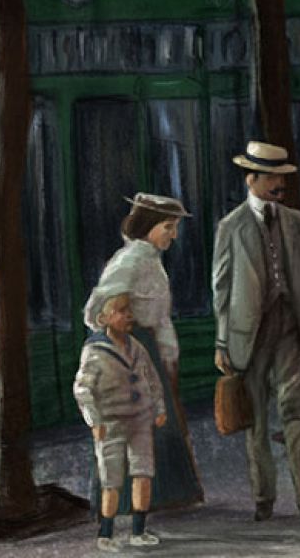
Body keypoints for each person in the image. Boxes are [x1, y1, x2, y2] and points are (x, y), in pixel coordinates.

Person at [212, 141, 300, 521]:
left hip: (291, 328)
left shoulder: (298, 223)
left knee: (295, 409)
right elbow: (222, 287)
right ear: (252, 179)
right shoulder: (231, 226)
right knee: (257, 419)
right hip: (250, 332)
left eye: (283, 176)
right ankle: (264, 498)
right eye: (272, 177)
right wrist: (221, 339)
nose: (280, 184)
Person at [82, 193, 204, 515]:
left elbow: (161, 316)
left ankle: (164, 496)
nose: (173, 235)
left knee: (157, 425)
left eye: (174, 227)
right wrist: (118, 337)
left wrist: (168, 353)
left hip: (150, 349)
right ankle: (125, 502)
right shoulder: (129, 261)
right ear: (148, 226)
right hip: (132, 352)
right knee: (133, 424)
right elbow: (96, 308)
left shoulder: (151, 261)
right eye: (168, 227)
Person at [74, 291, 167, 552]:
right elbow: (82, 389)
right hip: (111, 423)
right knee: (112, 479)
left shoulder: (137, 347)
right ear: (104, 318)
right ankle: (106, 533)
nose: (129, 316)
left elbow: (152, 379)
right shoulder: (94, 351)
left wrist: (158, 407)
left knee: (143, 473)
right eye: (122, 311)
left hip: (140, 420)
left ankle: (138, 530)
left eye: (131, 311)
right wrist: (94, 420)